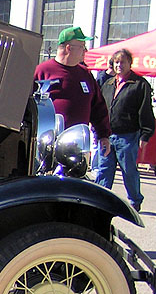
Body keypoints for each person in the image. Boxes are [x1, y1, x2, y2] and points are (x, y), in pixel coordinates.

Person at [34, 26, 111, 160]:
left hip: (76, 146)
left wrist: (103, 135)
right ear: (68, 48)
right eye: (82, 46)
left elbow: (98, 107)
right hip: (46, 145)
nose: (85, 51)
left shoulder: (85, 74)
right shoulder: (42, 71)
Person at [94, 48, 155, 212]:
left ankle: (135, 200)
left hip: (128, 136)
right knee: (104, 169)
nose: (119, 65)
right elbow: (99, 107)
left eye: (123, 62)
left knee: (129, 170)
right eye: (116, 62)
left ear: (129, 63)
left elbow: (145, 111)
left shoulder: (140, 84)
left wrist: (146, 133)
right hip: (106, 135)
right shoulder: (107, 83)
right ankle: (100, 198)